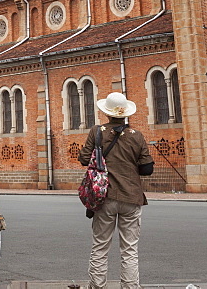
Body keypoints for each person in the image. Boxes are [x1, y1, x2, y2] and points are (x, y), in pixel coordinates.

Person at [78, 92, 154, 289]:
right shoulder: (136, 136)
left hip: (105, 197)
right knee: (129, 249)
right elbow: (147, 169)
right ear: (125, 113)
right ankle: (130, 287)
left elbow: (84, 159)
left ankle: (97, 286)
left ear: (107, 113)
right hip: (132, 196)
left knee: (100, 246)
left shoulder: (97, 132)